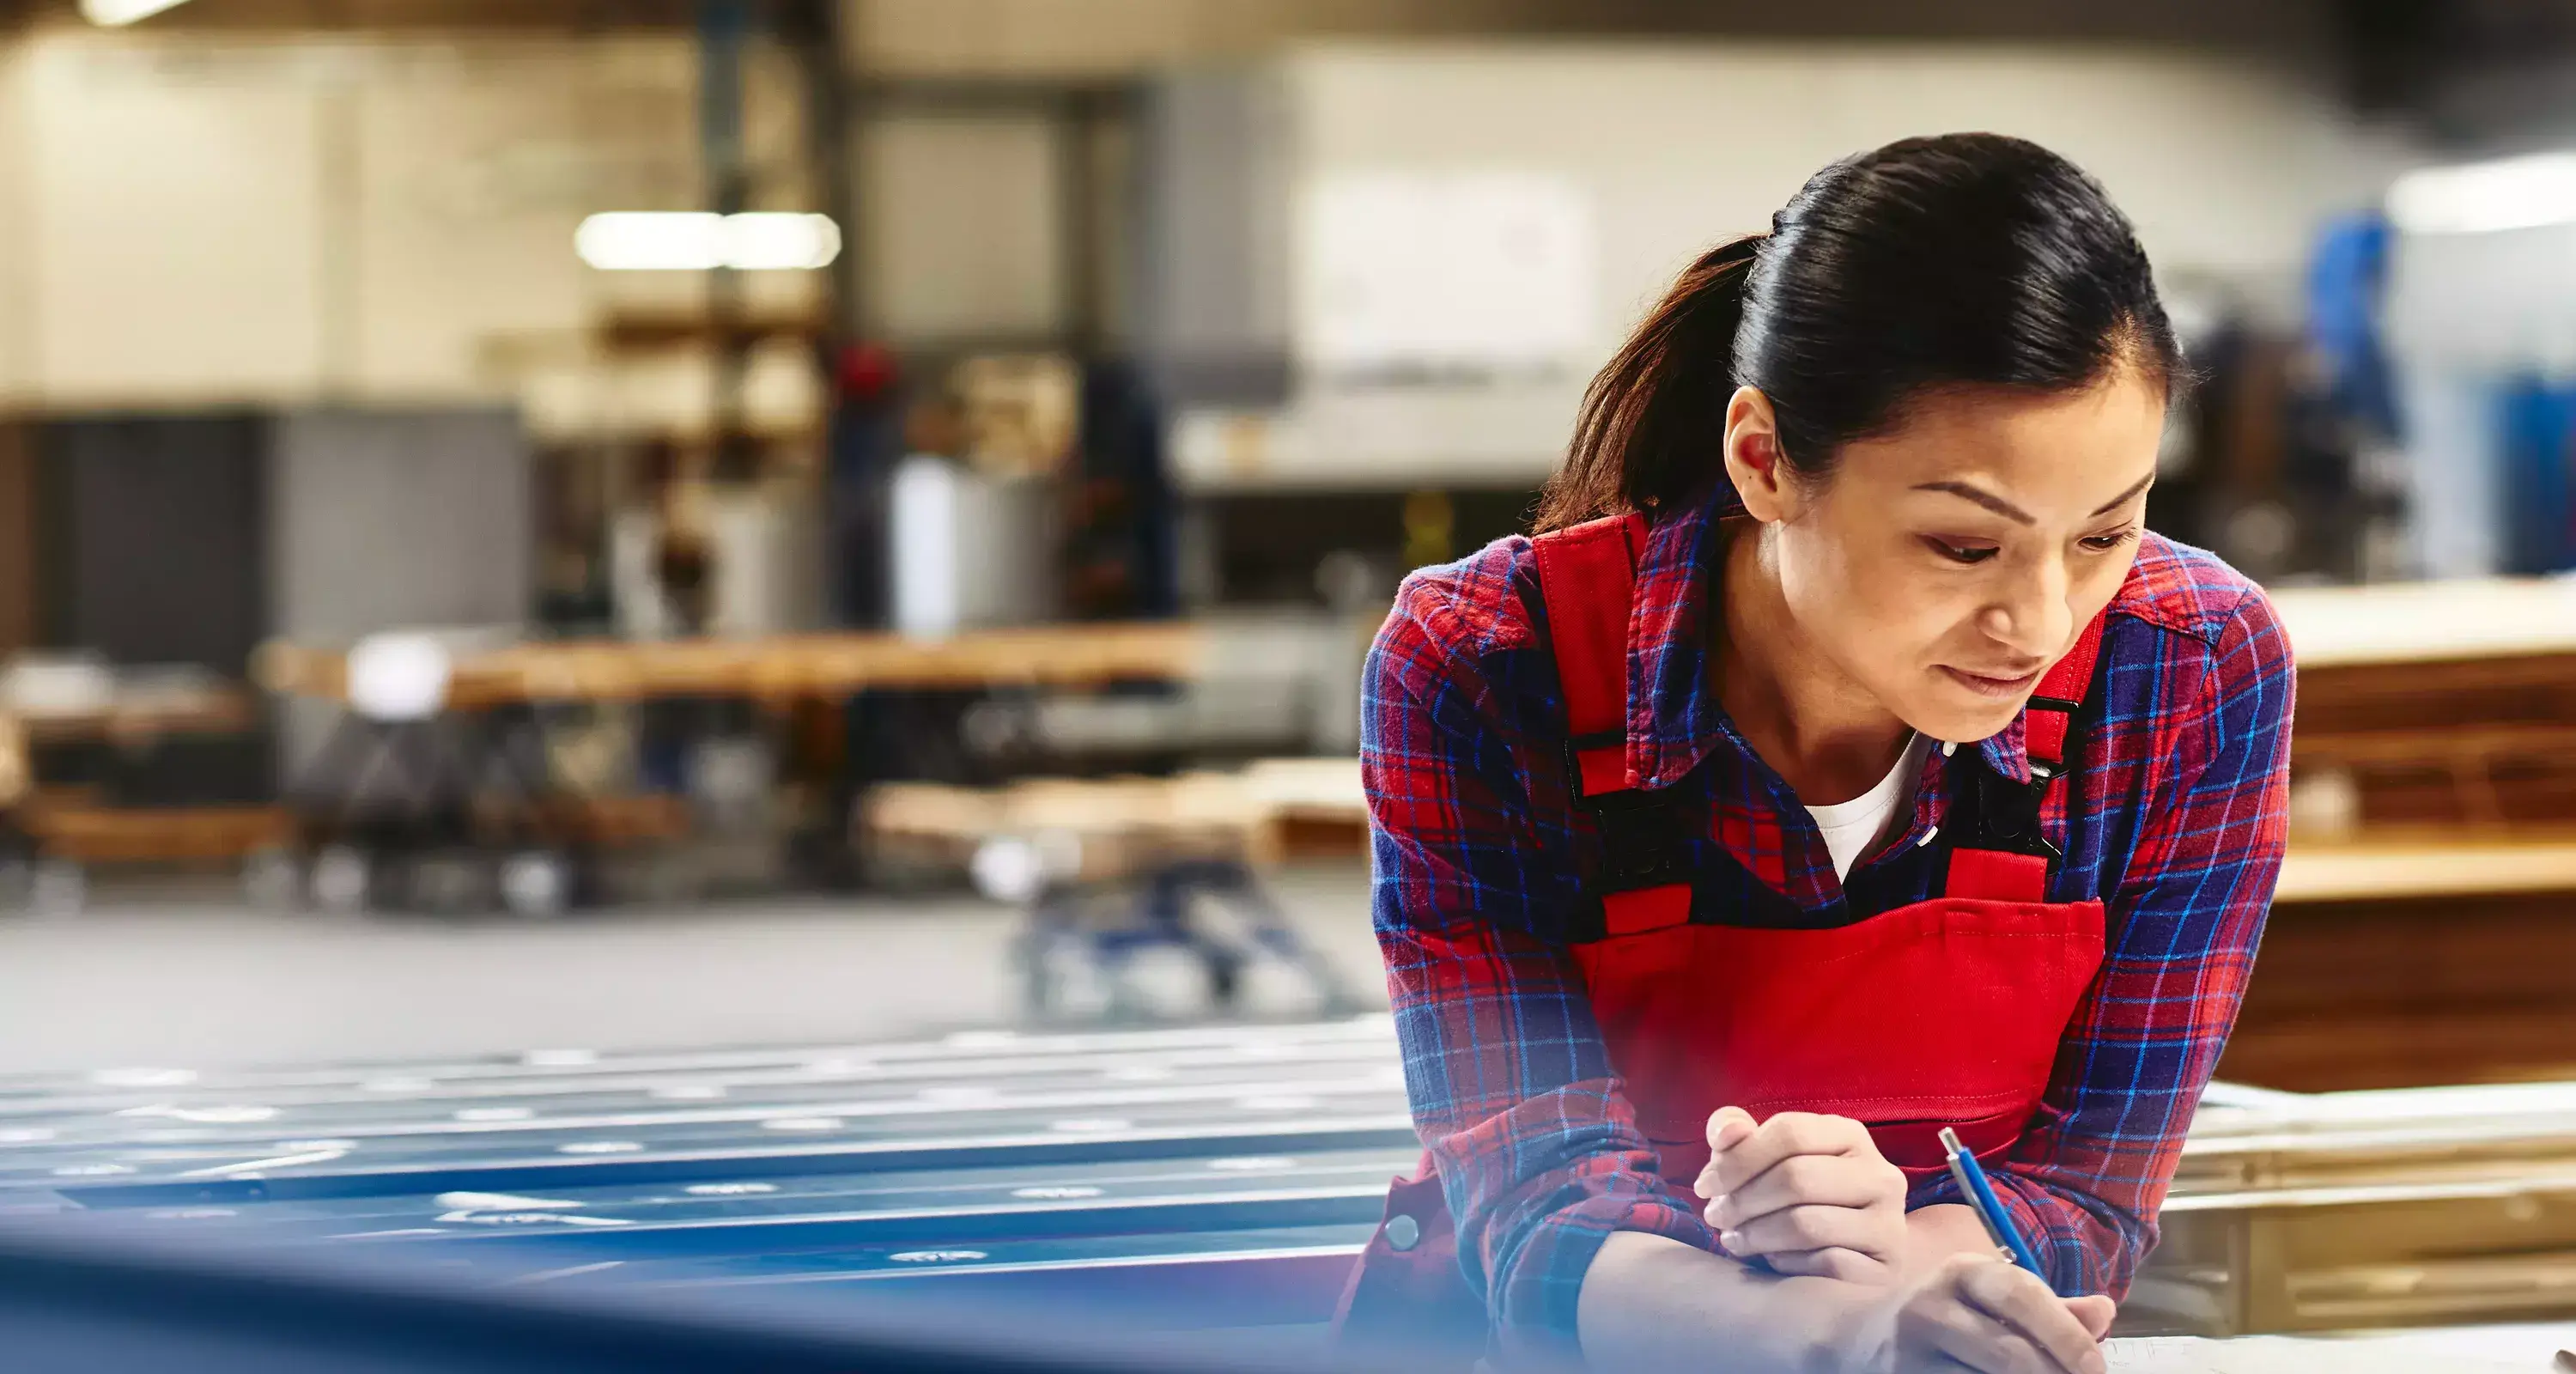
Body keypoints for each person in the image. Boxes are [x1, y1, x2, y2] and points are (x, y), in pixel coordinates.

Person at [1334, 133, 2293, 1374]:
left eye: (2105, 534)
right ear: (1764, 459)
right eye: (1962, 546)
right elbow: (1537, 1204)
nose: (2041, 624)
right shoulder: (1484, 668)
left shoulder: (2189, 673)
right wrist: (1838, 1333)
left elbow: (2088, 1195)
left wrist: (1902, 1264)